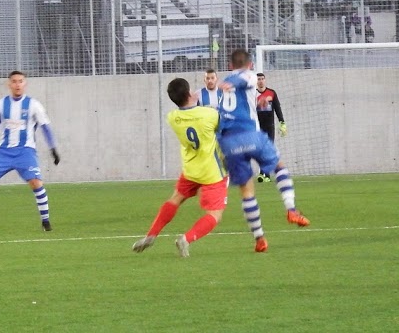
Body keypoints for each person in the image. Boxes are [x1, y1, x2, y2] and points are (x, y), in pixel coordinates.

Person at [218, 49, 310, 253]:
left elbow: (232, 107)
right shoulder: (247, 76)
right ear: (250, 64)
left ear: (230, 65)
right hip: (251, 135)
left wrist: (253, 101)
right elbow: (244, 80)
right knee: (279, 166)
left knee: (246, 191)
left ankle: (259, 238)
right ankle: (291, 209)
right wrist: (236, 82)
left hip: (229, 143)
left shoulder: (224, 83)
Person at [132, 78, 227, 257]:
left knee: (175, 198)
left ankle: (151, 235)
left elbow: (190, 114)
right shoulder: (209, 114)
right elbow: (224, 126)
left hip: (190, 170)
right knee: (215, 214)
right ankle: (186, 239)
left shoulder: (172, 118)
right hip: (211, 172)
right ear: (190, 93)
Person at [0, 71, 60, 233]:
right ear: (9, 84)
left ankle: (46, 221)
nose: (17, 84)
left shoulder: (34, 105)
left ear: (25, 84)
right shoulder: (0, 104)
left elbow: (46, 128)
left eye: (20, 81)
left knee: (36, 183)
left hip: (25, 152)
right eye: (14, 81)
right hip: (4, 152)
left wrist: (53, 148)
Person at [255, 72, 287, 183]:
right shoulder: (253, 94)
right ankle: (265, 174)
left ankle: (264, 173)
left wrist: (282, 122)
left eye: (262, 79)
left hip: (269, 126)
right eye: (258, 79)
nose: (260, 81)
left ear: (265, 80)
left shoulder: (272, 93)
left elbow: (277, 108)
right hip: (258, 127)